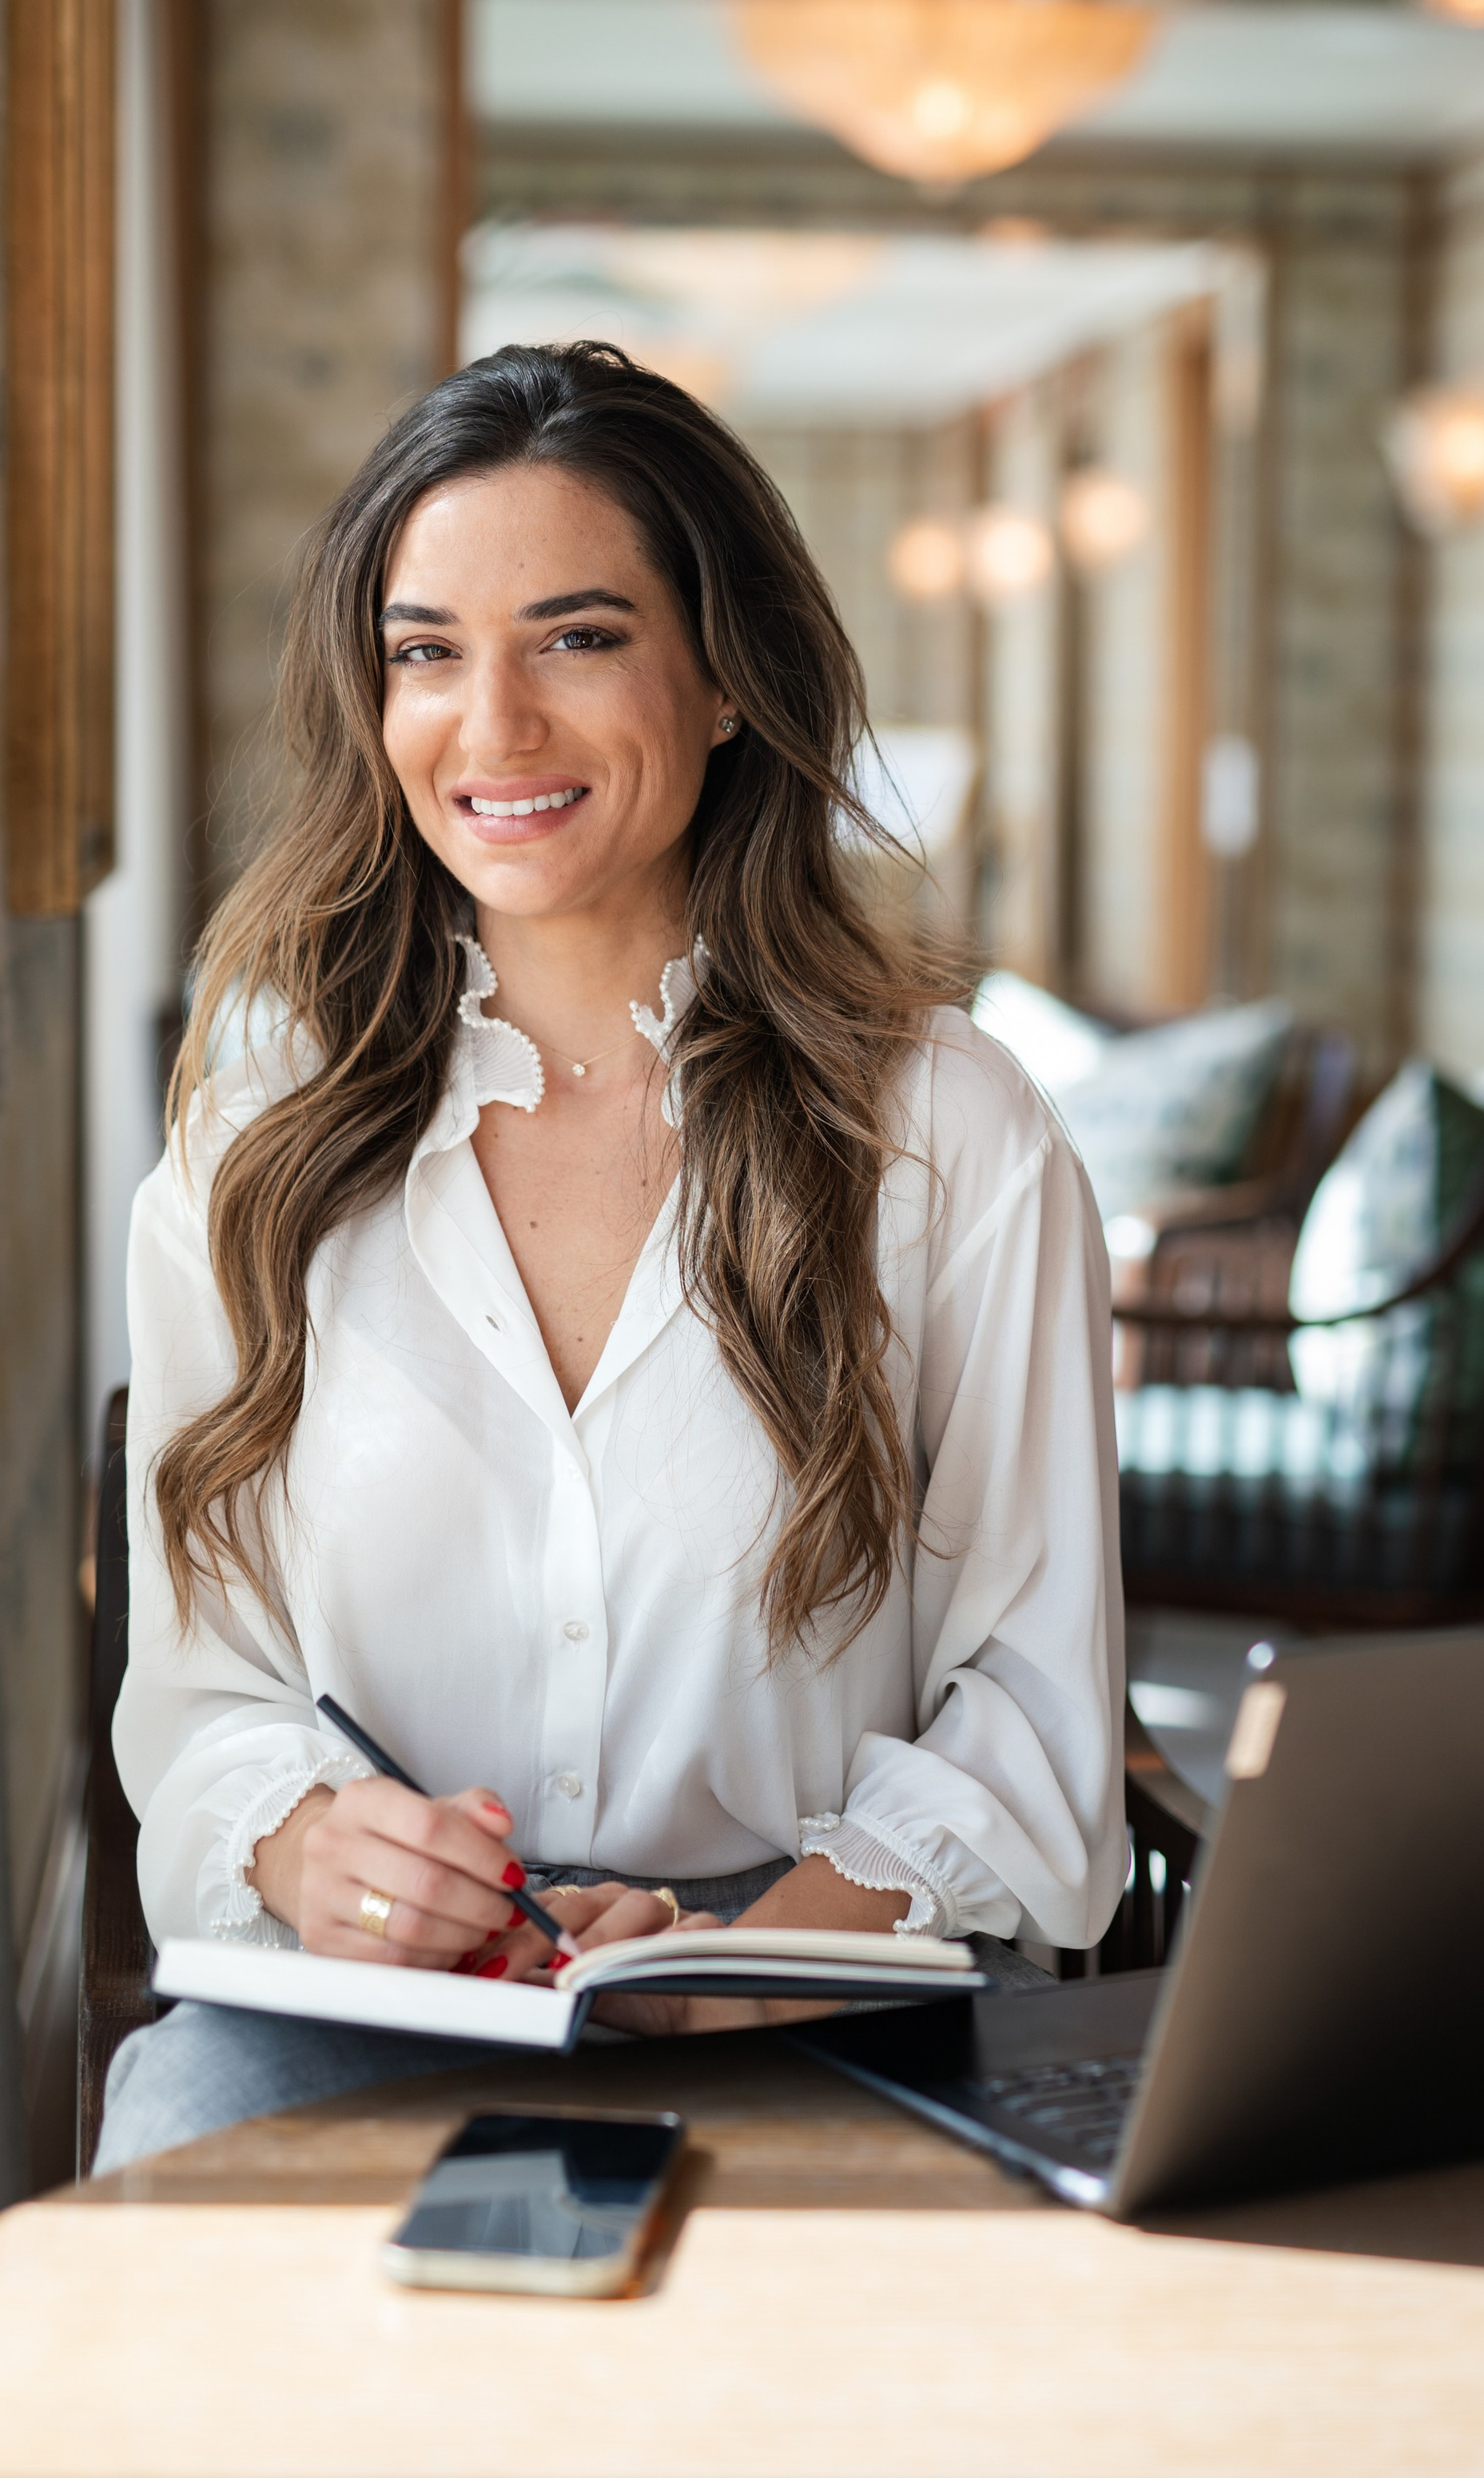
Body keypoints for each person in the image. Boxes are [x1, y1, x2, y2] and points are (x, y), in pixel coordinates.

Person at [97, 342, 1125, 2167]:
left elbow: (1034, 1710)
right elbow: (206, 1690)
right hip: (364, 2023)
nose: (491, 727)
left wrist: (752, 1954)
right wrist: (305, 1846)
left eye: (574, 637)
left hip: (821, 2000)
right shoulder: (255, 1145)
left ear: (722, 676)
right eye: (426, 651)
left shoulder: (952, 1136)